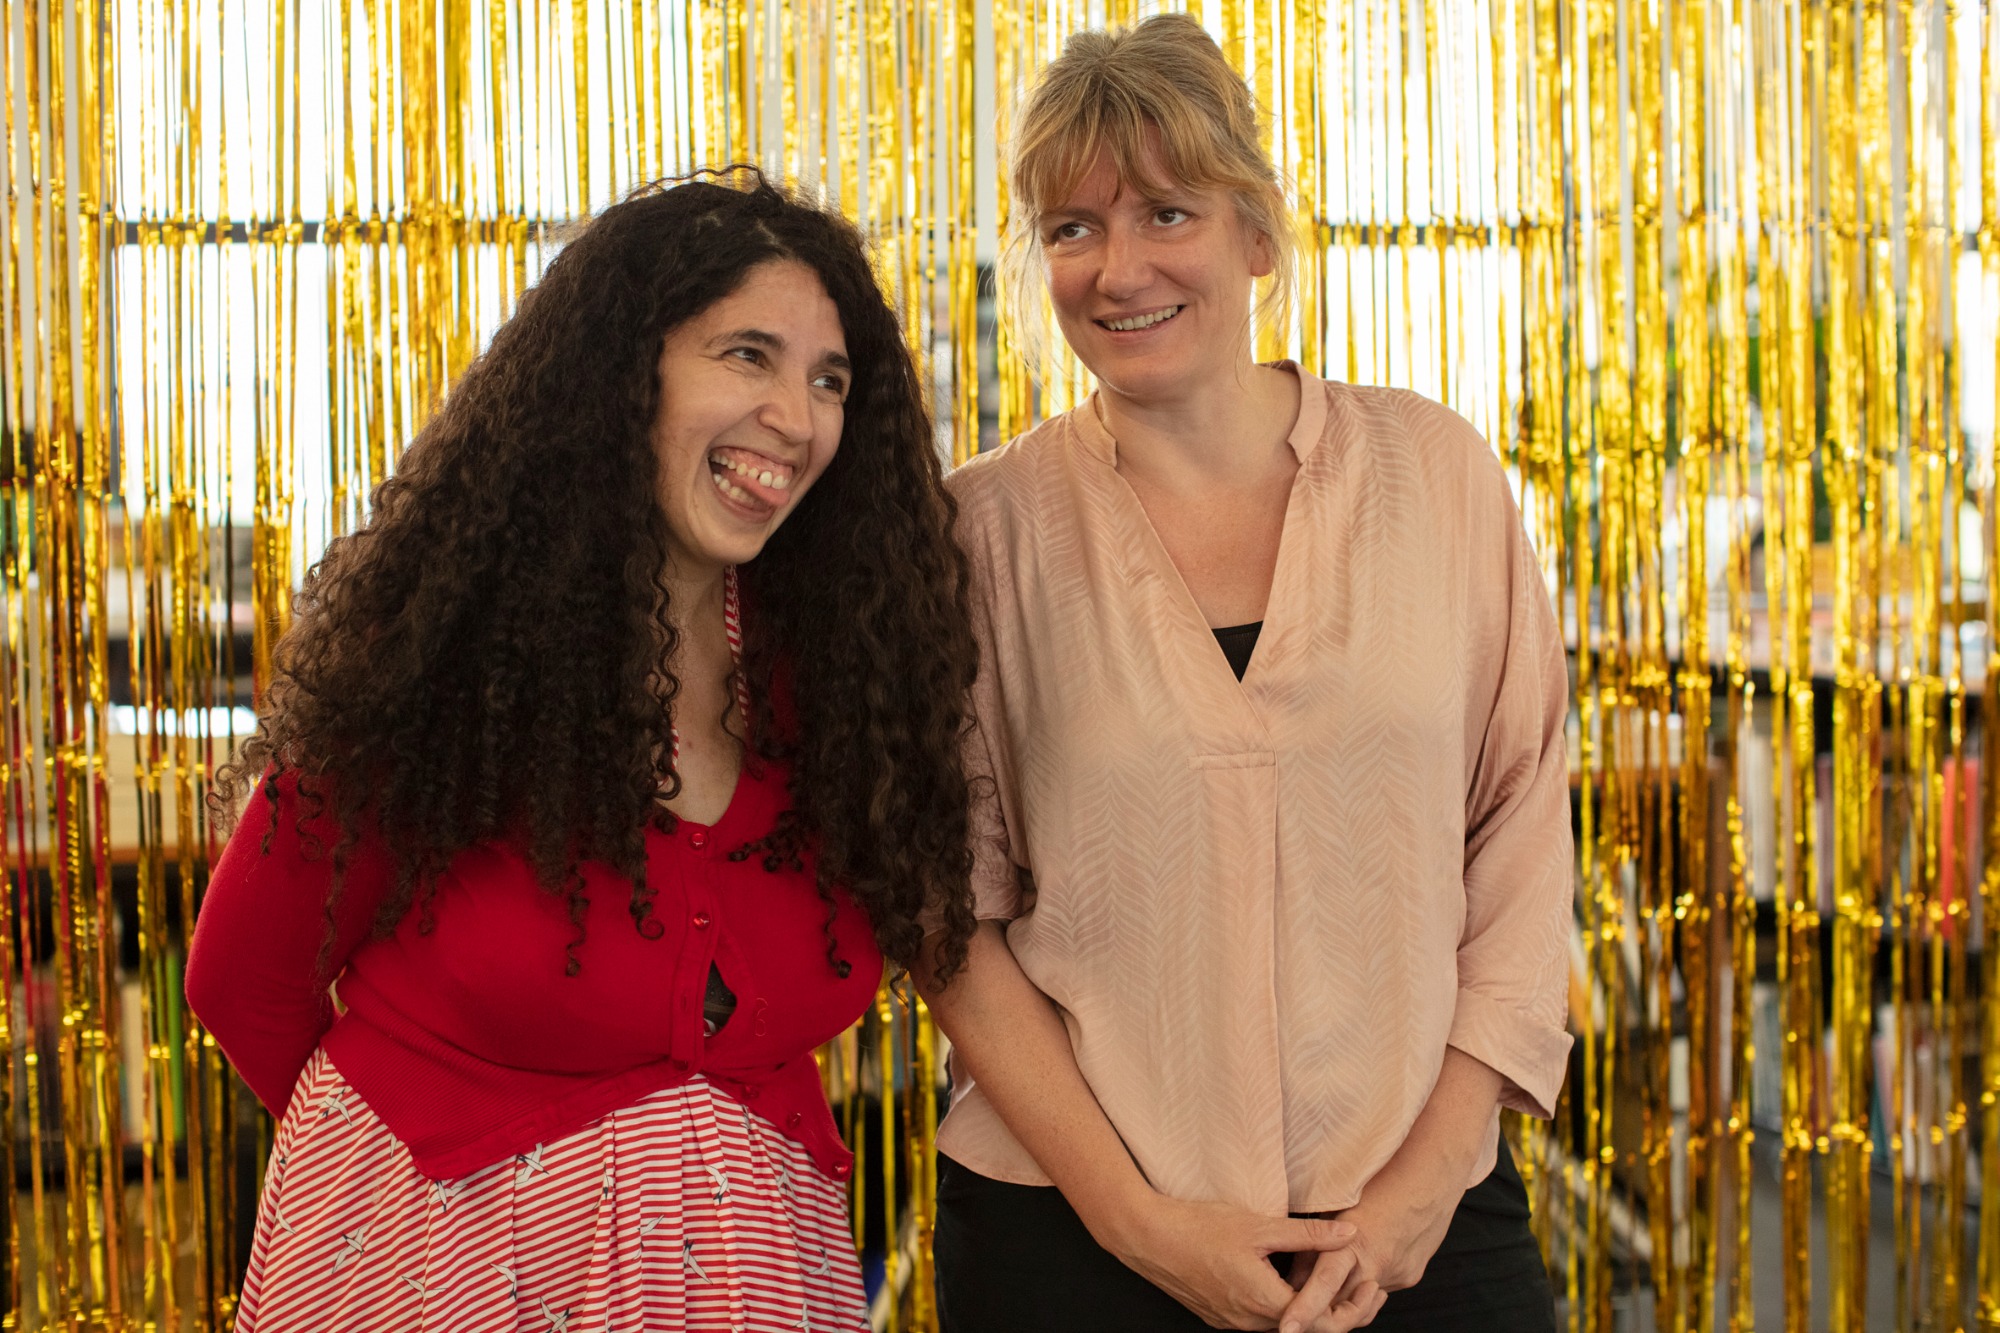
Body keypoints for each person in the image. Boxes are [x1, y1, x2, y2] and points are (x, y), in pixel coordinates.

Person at [186, 173, 981, 1333]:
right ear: (621, 373)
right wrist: (417, 1178)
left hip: (759, 1281)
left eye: (829, 380)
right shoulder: (445, 661)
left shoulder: (838, 683)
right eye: (746, 355)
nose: (797, 418)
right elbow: (244, 981)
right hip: (438, 1280)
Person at [917, 17, 1572, 1333]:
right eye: (1072, 228)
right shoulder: (976, 534)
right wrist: (1136, 1221)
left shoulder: (1434, 475)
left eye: (1167, 212)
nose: (1119, 269)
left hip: (1416, 1221)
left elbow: (1518, 830)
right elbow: (945, 914)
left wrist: (1429, 1177)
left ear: (1256, 233)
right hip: (1077, 1234)